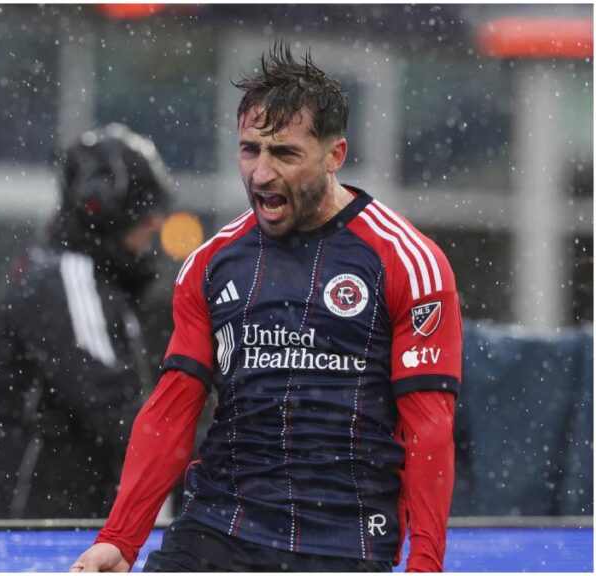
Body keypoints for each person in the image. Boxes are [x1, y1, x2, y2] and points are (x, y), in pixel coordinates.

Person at [72, 43, 461, 572]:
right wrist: (120, 538)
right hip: (217, 532)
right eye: (250, 149)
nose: (260, 174)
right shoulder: (210, 265)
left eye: (285, 153)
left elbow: (429, 429)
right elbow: (172, 410)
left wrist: (427, 563)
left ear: (335, 155)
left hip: (342, 544)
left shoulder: (409, 262)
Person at [0, 124, 172, 519]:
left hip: (58, 523)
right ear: (106, 206)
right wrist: (207, 450)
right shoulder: (67, 278)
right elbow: (116, 410)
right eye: (145, 208)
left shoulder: (84, 278)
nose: (156, 223)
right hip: (47, 530)